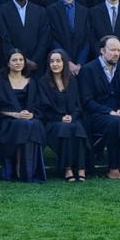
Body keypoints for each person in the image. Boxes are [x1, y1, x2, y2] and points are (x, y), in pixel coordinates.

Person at [78, 36, 120, 179]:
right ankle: (113, 167)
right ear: (102, 50)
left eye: (118, 50)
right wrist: (109, 112)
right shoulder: (88, 70)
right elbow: (87, 101)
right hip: (97, 114)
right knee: (115, 122)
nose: (116, 53)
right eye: (112, 50)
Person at [0, 49, 48, 183]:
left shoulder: (32, 82)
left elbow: (38, 104)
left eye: (21, 60)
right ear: (8, 63)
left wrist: (31, 114)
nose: (18, 63)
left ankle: (31, 170)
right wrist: (15, 114)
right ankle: (18, 168)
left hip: (28, 119)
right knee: (22, 125)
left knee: (35, 124)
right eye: (14, 60)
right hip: (7, 121)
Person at [35, 49, 88, 182]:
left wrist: (72, 117)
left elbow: (77, 105)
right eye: (52, 61)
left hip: (72, 119)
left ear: (64, 63)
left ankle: (81, 168)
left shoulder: (73, 82)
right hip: (52, 122)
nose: (55, 64)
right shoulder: (43, 83)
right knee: (64, 129)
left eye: (58, 61)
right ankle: (67, 168)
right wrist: (60, 118)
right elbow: (44, 108)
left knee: (78, 128)